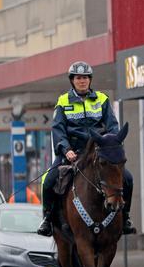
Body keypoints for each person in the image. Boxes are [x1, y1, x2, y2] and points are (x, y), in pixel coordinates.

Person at [37, 61, 136, 237]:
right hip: (73, 153)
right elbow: (58, 129)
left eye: (85, 78)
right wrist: (65, 149)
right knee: (49, 180)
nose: (82, 81)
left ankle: (125, 217)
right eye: (78, 78)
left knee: (127, 178)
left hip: (98, 152)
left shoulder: (102, 99)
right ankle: (48, 219)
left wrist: (110, 145)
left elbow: (112, 126)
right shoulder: (63, 101)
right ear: (72, 81)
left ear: (90, 80)